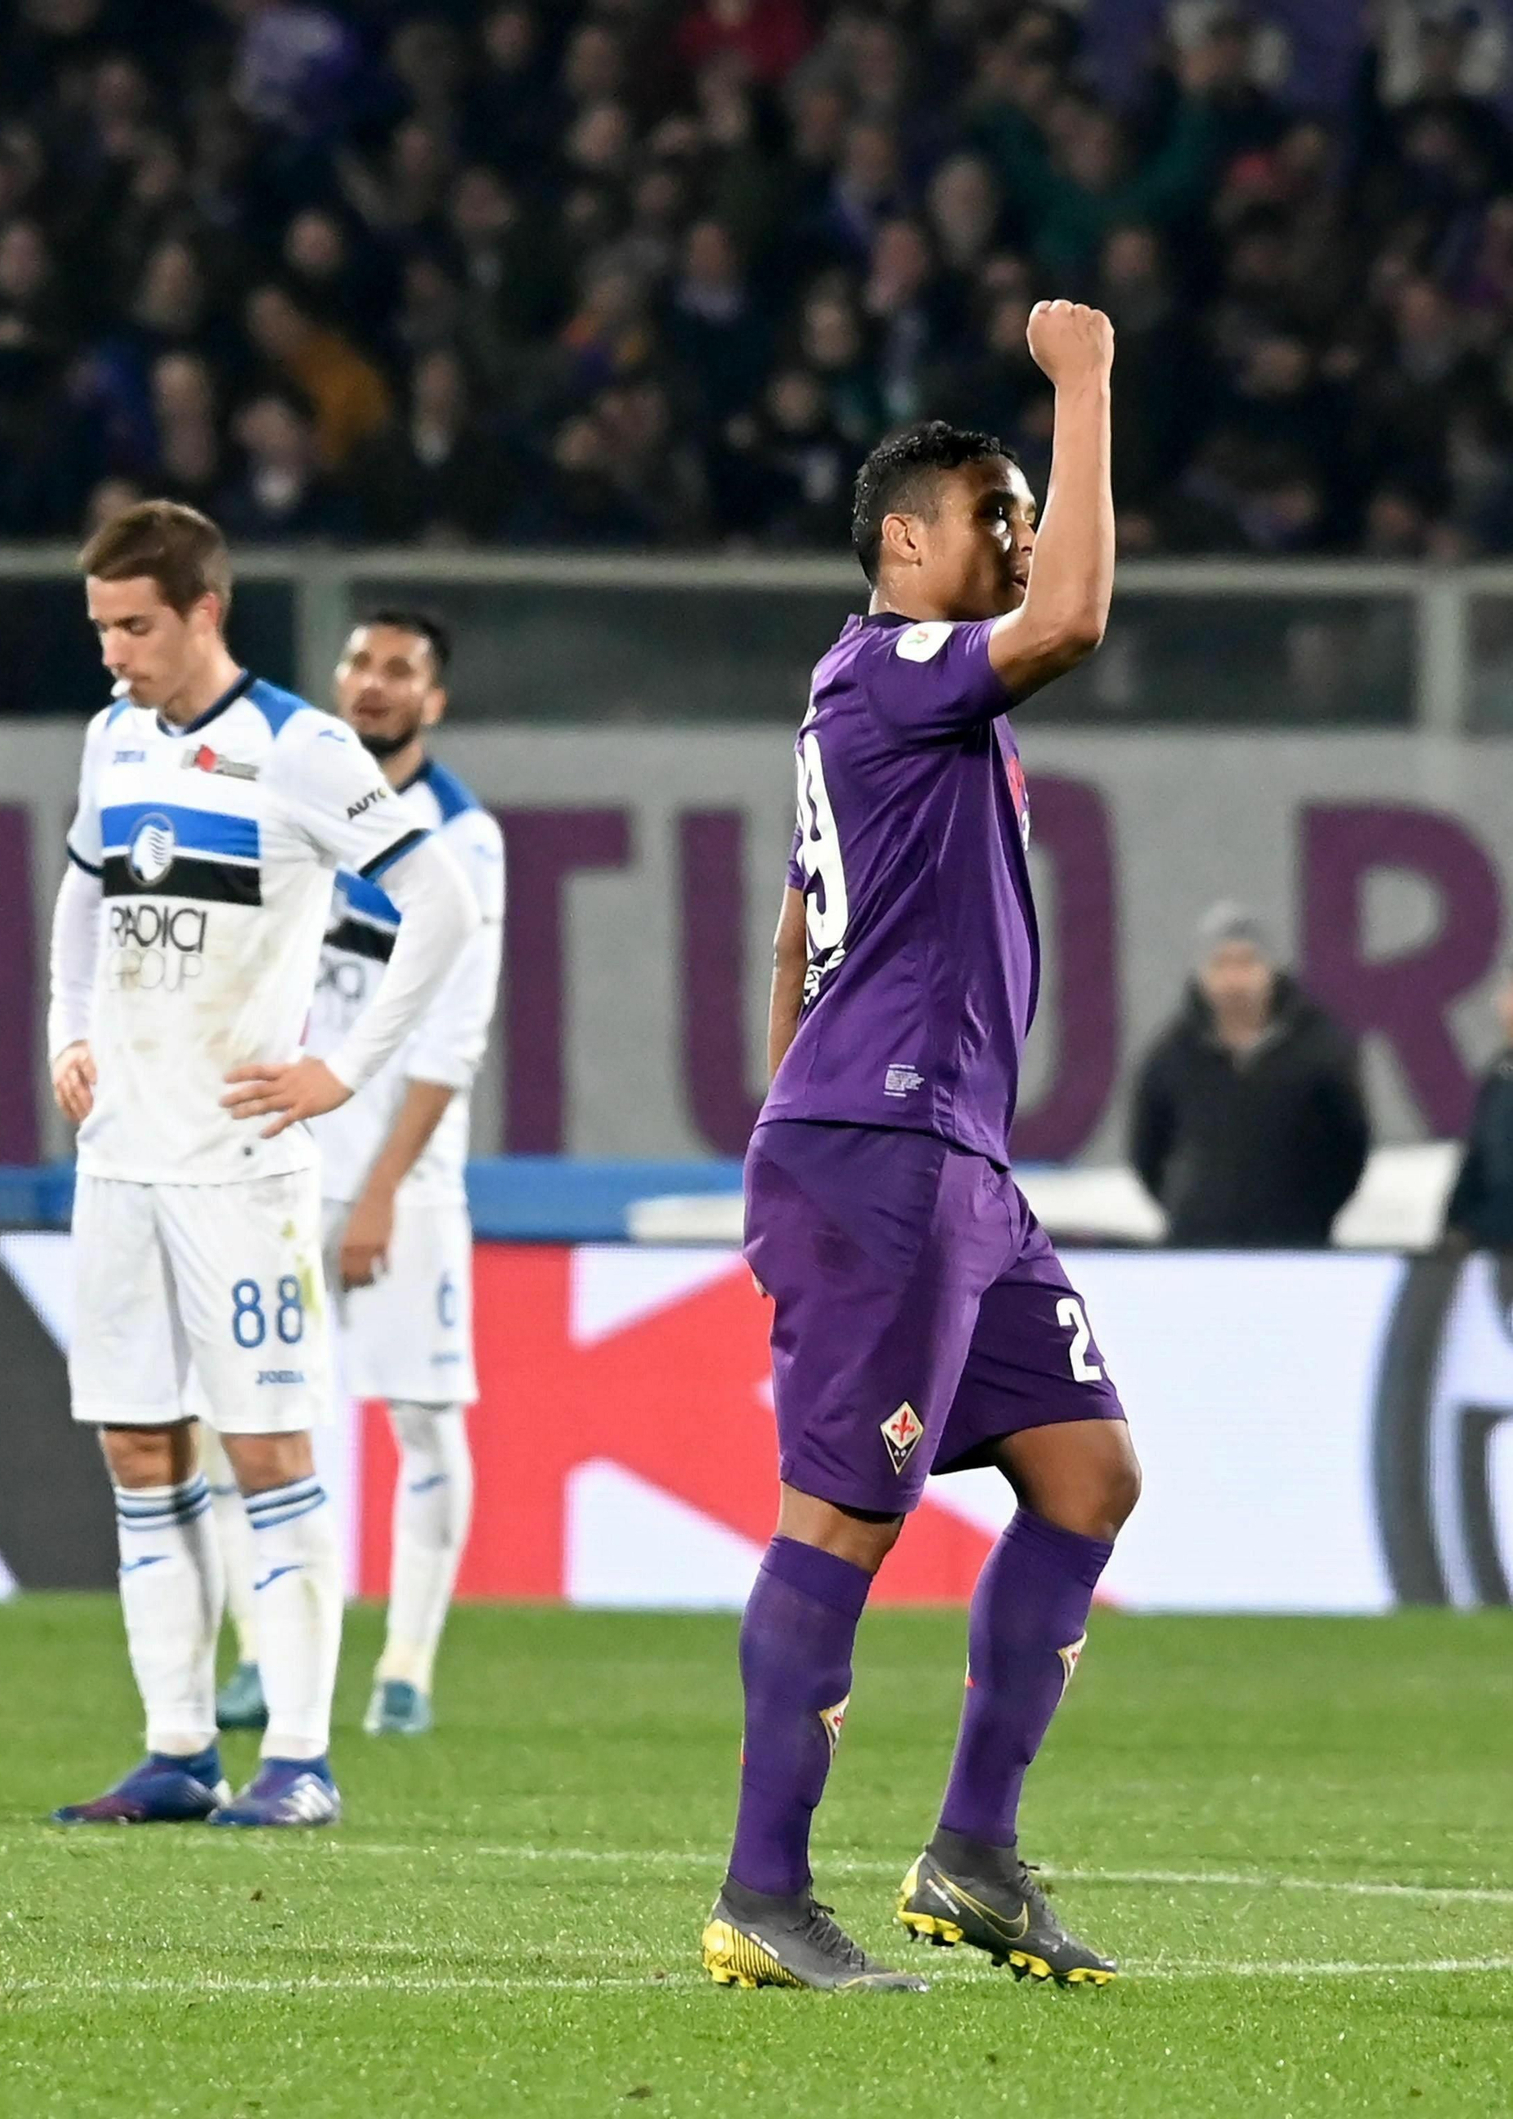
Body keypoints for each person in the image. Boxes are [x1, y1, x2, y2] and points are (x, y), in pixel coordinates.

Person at [703, 307, 1138, 1994]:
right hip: (887, 1149)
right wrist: (1087, 389)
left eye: (1029, 508)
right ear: (905, 539)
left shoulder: (906, 714)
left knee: (1090, 1472)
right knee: (842, 1517)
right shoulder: (889, 665)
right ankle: (762, 1891)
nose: (1023, 536)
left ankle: (971, 1853)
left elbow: (803, 913)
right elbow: (1081, 616)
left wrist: (785, 1105)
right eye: (995, 510)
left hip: (936, 1149)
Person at [45, 501, 479, 1828]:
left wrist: (343, 1071)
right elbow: (82, 887)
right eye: (102, 627)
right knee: (137, 1442)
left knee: (268, 1444)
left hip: (243, 1170)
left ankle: (297, 1754)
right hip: (123, 1163)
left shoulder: (299, 749)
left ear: (205, 611)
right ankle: (179, 1745)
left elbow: (442, 905)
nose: (115, 653)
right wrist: (72, 1029)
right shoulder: (112, 736)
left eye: (137, 626)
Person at [204, 608, 503, 1739]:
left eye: (400, 672)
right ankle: (259, 1653)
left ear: (434, 700)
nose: (372, 685)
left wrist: (381, 1187)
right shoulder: (293, 795)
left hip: (402, 1181)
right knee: (252, 1407)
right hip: (276, 1162)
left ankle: (405, 1670)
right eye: (359, 665)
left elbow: (452, 1040)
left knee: (421, 1420)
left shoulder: (462, 841)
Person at [1131, 905, 1370, 1248]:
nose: (1234, 981)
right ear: (1202, 974)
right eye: (1221, 965)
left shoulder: (1320, 1050)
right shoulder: (1172, 1056)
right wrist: (1190, 1206)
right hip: (1198, 1247)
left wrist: (1313, 1213)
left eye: (1246, 963)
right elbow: (1147, 1149)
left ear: (1269, 970)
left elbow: (1350, 1145)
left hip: (1296, 1245)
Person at [1442, 963, 1513, 1251]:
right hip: (1489, 1242)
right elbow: (1477, 1159)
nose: (1502, 1003)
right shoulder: (1501, 1074)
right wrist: (1456, 1225)